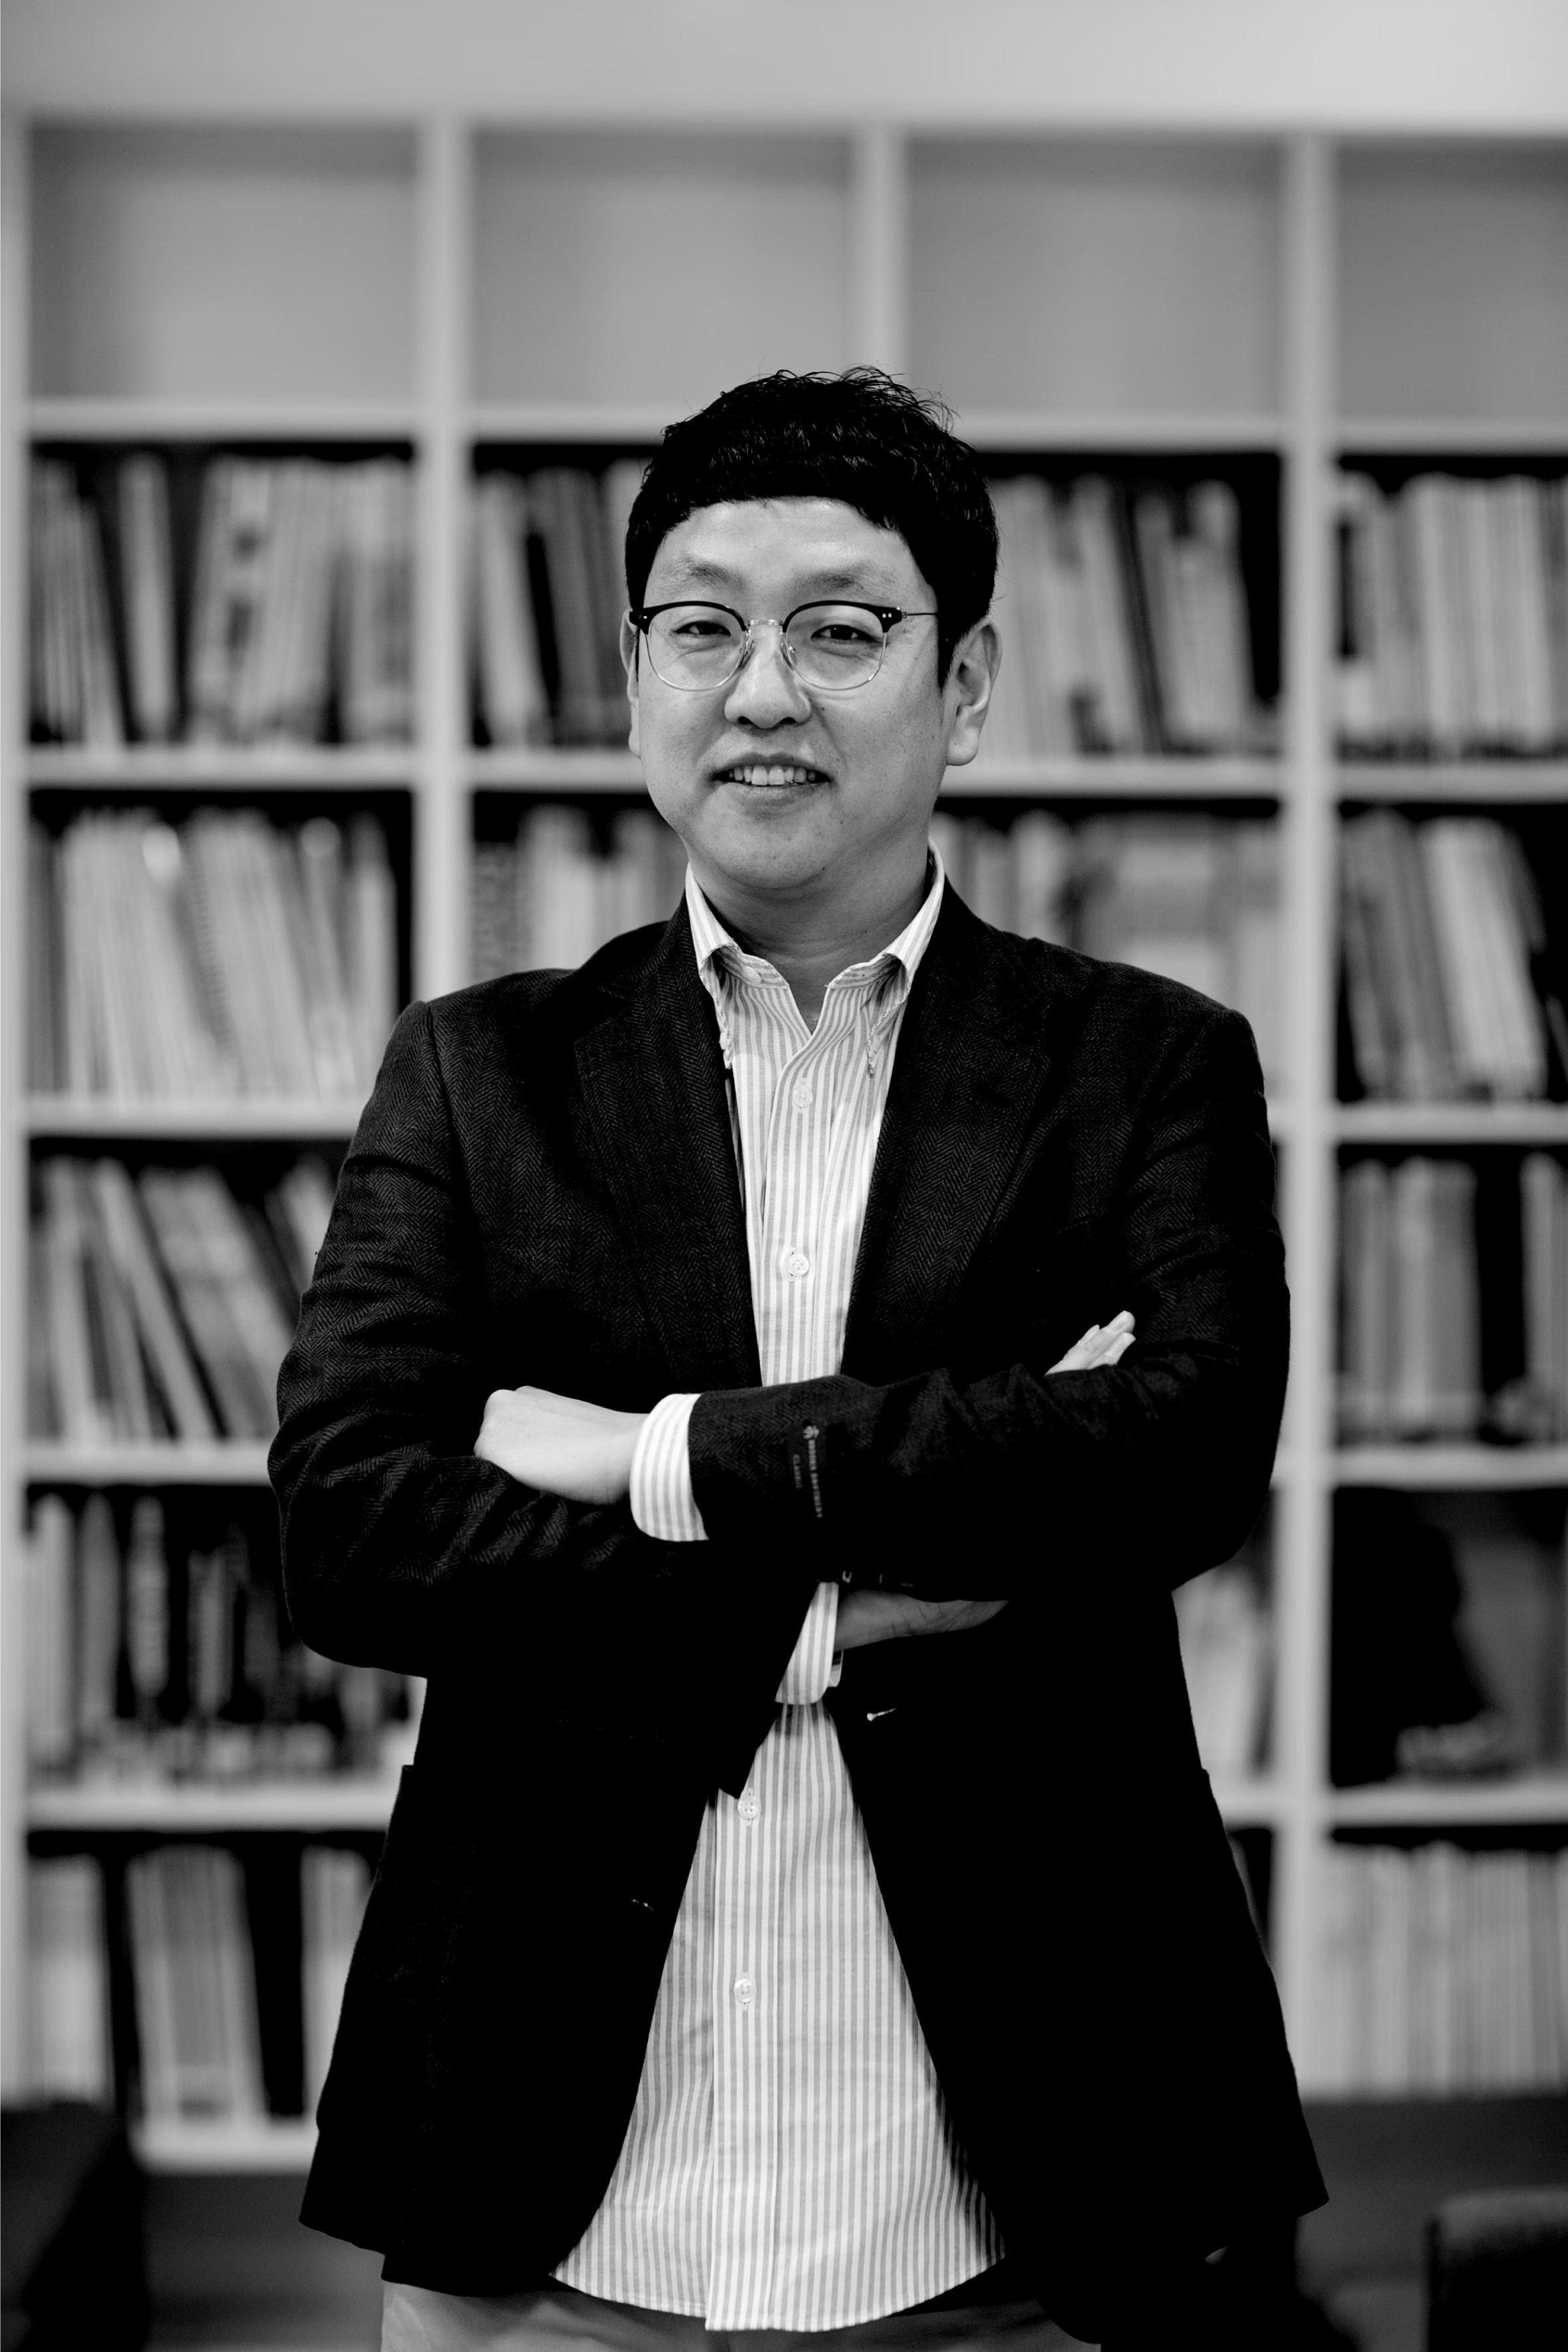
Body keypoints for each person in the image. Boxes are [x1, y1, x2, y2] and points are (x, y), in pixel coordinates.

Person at [271, 369, 1325, 2352]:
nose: (762, 690)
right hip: (549, 2180)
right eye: (702, 629)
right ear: (636, 680)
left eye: (840, 630)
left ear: (965, 685)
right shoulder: (481, 1072)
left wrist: (646, 1455)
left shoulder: (1142, 1067)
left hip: (1020, 2180)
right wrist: (830, 1611)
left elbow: (1177, 1459)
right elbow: (352, 1531)